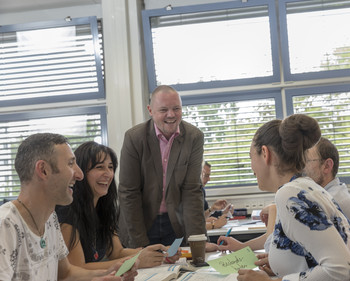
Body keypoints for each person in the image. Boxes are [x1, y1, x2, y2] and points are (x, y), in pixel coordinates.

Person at [219, 114, 350, 281]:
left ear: (265, 153)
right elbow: (313, 257)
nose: (252, 168)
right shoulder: (305, 186)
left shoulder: (290, 194)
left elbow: (339, 270)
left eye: (251, 157)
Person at [0, 133, 137, 281]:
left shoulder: (50, 219)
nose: (80, 175)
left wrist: (108, 272)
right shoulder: (5, 225)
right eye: (71, 164)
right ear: (43, 170)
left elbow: (66, 274)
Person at [56, 141, 179, 270]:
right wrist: (135, 260)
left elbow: (117, 252)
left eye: (110, 167)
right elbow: (78, 268)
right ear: (80, 172)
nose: (108, 174)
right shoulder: (67, 211)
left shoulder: (104, 208)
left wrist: (158, 253)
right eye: (99, 167)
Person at [118, 85, 206, 248]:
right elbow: (129, 192)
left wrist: (198, 241)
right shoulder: (134, 138)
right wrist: (140, 245)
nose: (171, 115)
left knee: (180, 270)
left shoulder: (194, 137)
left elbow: (192, 191)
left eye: (176, 108)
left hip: (175, 224)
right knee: (144, 270)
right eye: (163, 109)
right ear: (150, 110)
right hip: (140, 222)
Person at [303, 137, 350, 219]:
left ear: (327, 166)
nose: (301, 168)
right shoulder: (335, 191)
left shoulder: (330, 204)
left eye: (306, 161)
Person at [201, 161, 232, 230]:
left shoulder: (201, 190)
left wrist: (213, 209)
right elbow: (193, 225)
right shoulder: (188, 194)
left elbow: (201, 217)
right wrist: (214, 225)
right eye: (206, 175)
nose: (209, 179)